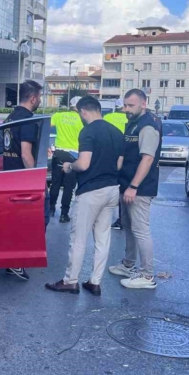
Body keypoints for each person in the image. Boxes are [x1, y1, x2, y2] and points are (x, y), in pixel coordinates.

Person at [45, 96, 123, 296]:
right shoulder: (115, 131)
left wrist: (69, 166)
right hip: (112, 188)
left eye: (80, 113)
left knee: (78, 238)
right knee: (102, 239)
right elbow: (120, 164)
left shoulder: (87, 131)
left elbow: (84, 164)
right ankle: (95, 282)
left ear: (83, 111)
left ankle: (70, 281)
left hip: (90, 191)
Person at [109, 89, 162, 290]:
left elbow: (147, 158)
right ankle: (128, 264)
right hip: (126, 184)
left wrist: (133, 186)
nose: (126, 109)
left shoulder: (148, 126)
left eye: (130, 105)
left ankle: (147, 276)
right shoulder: (133, 123)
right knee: (128, 227)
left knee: (140, 230)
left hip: (139, 188)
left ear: (143, 104)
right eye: (125, 105)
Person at [3, 80, 44, 281]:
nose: (40, 101)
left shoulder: (11, 116)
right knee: (28, 221)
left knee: (13, 221)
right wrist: (35, 180)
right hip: (21, 178)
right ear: (33, 97)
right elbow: (26, 154)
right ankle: (16, 262)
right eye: (39, 97)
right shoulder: (27, 119)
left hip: (8, 176)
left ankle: (11, 260)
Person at [48, 96, 84, 223]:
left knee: (55, 183)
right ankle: (64, 214)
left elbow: (48, 126)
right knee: (69, 187)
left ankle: (51, 208)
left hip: (59, 153)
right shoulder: (82, 119)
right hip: (73, 155)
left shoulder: (59, 115)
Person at [104, 98, 128, 230]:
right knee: (123, 187)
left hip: (110, 155)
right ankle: (122, 218)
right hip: (125, 155)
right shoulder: (129, 119)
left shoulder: (108, 117)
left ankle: (104, 217)